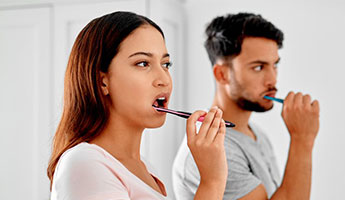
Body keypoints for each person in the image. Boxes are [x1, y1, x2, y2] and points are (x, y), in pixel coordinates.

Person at [47, 11, 228, 200]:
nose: (164, 79)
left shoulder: (145, 169)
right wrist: (212, 181)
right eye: (143, 63)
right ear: (103, 82)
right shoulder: (85, 164)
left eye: (166, 64)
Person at [173, 12, 320, 200]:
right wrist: (302, 140)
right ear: (222, 74)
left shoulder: (255, 133)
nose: (272, 79)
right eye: (258, 67)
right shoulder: (215, 148)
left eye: (274, 65)